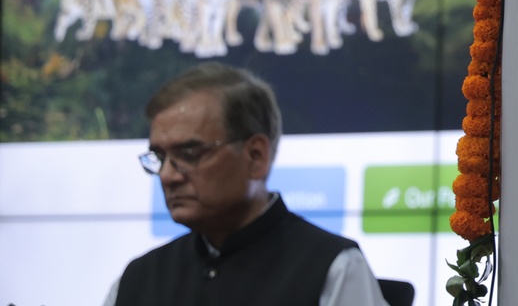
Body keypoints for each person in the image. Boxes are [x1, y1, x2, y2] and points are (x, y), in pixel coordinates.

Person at [106, 64, 389, 306]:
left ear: (255, 156)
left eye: (189, 153)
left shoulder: (333, 268)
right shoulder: (138, 280)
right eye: (159, 157)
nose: (168, 175)